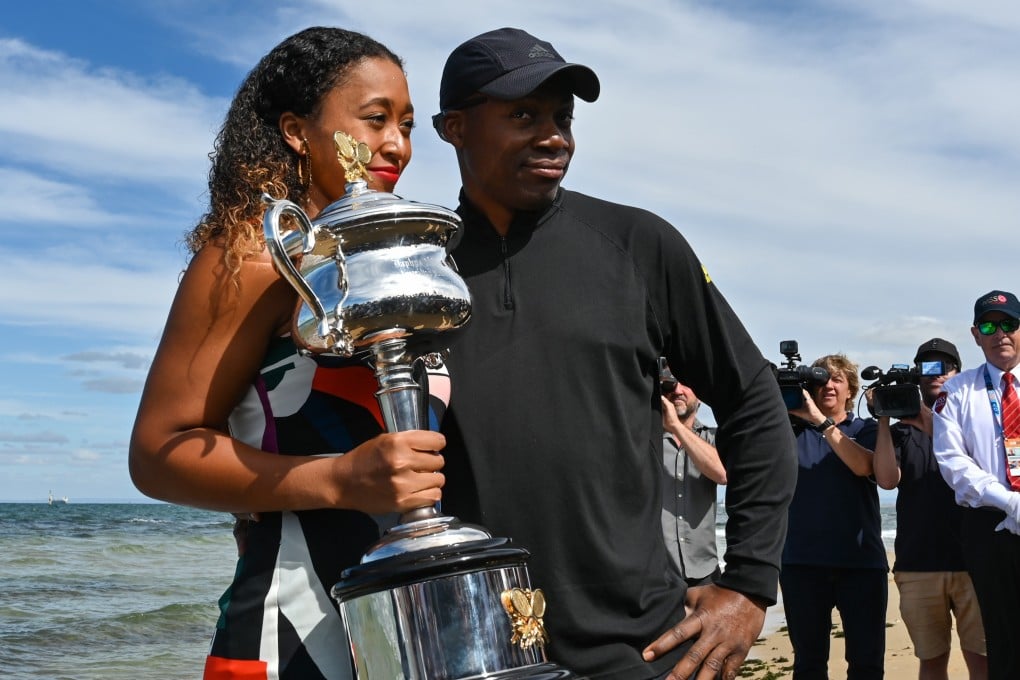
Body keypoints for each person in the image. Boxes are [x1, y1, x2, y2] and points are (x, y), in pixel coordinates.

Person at [432, 27, 797, 680]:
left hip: (640, 651)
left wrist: (748, 585)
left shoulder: (638, 244)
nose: (555, 138)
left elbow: (754, 400)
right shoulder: (418, 275)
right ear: (453, 127)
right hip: (469, 652)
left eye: (563, 119)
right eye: (524, 115)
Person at [128, 28, 448, 680]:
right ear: (298, 131)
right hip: (292, 633)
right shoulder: (254, 252)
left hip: (408, 626)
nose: (397, 145)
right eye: (376, 119)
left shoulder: (384, 263)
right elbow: (158, 451)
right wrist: (333, 481)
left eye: (408, 125)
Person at [873, 339, 987, 680]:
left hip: (975, 561)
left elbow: (979, 463)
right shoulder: (900, 434)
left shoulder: (974, 422)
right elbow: (886, 480)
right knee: (932, 661)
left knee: (983, 660)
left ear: (957, 373)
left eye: (944, 367)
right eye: (926, 367)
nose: (935, 374)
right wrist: (882, 417)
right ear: (916, 376)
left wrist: (926, 417)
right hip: (919, 564)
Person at [782, 353, 887, 680]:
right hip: (801, 564)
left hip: (861, 564)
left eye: (836, 379)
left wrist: (822, 423)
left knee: (866, 664)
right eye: (820, 379)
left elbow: (864, 466)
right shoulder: (787, 432)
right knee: (808, 665)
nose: (828, 385)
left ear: (850, 390)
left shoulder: (866, 428)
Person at [933, 289, 1020, 680]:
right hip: (988, 526)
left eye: (1009, 324)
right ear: (975, 333)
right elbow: (953, 462)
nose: (1000, 333)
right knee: (1002, 637)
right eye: (989, 325)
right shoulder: (956, 391)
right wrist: (1009, 501)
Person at [659, 360, 727, 587]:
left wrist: (676, 427)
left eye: (686, 384)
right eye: (671, 383)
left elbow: (722, 473)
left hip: (704, 569)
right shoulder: (644, 440)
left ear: (700, 395)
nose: (677, 390)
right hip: (656, 572)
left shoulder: (713, 438)